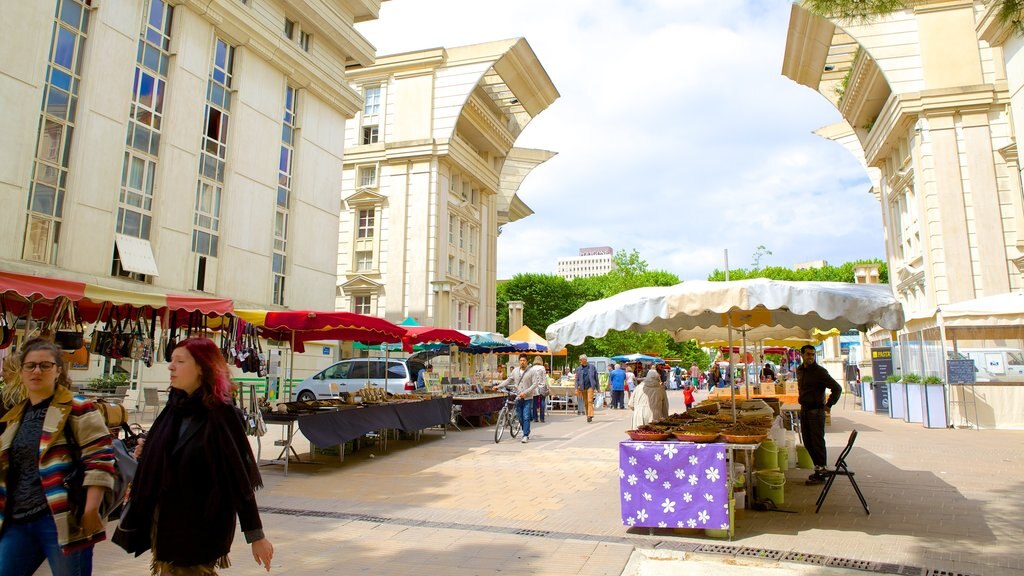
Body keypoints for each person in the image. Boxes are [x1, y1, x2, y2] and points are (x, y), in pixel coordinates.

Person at [115, 337, 274, 574]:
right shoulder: (175, 406)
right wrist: (150, 451)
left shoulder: (221, 414)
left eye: (180, 361)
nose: (171, 366)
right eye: (171, 361)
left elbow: (239, 477)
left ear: (203, 367)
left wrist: (256, 535)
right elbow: (169, 448)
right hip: (166, 524)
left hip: (201, 527)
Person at [0, 338, 116, 576]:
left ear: (58, 370)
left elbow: (100, 459)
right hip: (18, 519)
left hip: (62, 520)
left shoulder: (77, 408)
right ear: (21, 372)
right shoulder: (16, 416)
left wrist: (91, 510)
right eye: (30, 366)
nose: (36, 371)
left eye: (45, 365)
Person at [796, 344, 842, 485]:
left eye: (813, 354)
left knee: (817, 442)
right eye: (808, 354)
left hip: (816, 411)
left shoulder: (819, 371)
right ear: (802, 355)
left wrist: (829, 404)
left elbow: (837, 388)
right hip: (804, 409)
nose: (810, 357)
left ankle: (822, 472)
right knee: (807, 441)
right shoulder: (800, 370)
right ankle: (818, 469)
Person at [491, 354, 539, 443]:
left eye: (524, 360)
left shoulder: (532, 371)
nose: (522, 362)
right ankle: (522, 428)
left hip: (527, 397)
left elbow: (535, 384)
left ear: (527, 361)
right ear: (519, 361)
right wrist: (498, 386)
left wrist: (525, 393)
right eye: (521, 360)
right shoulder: (515, 371)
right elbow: (508, 380)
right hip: (518, 397)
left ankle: (525, 435)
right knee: (520, 417)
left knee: (526, 416)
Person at [574, 355, 599, 423]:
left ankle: (590, 415)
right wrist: (576, 388)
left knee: (590, 401)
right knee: (586, 402)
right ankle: (588, 414)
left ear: (585, 360)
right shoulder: (578, 369)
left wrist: (598, 388)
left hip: (590, 386)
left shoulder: (592, 367)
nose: (579, 361)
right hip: (582, 387)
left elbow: (596, 378)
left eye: (580, 360)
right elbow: (576, 380)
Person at [531, 358, 548, 423]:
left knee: (535, 402)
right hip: (541, 386)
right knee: (542, 402)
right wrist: (546, 385)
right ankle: (542, 418)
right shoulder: (542, 368)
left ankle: (535, 418)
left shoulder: (532, 368)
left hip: (534, 387)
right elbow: (544, 378)